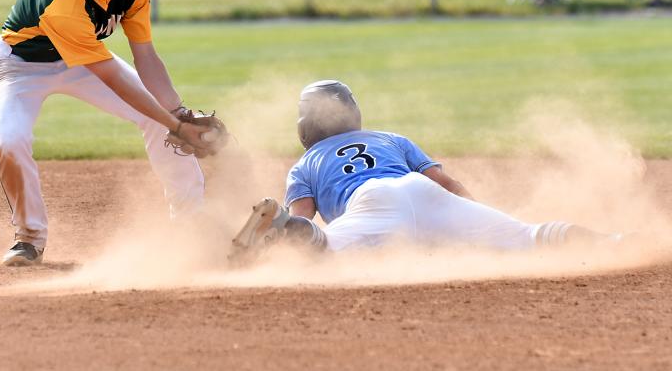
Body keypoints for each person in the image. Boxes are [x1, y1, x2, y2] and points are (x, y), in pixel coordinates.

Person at [0, 0, 212, 266]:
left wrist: (175, 112)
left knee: (159, 118)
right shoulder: (63, 1)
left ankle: (192, 226)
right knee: (12, 141)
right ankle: (29, 238)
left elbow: (145, 55)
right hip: (22, 66)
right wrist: (177, 126)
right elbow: (113, 78)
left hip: (83, 59)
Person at [230, 80, 623, 260]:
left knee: (325, 248)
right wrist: (470, 218)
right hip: (420, 189)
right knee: (528, 236)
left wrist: (285, 241)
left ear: (304, 124)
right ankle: (614, 243)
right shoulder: (388, 138)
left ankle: (274, 227)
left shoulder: (306, 163)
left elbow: (306, 218)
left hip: (370, 204)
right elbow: (446, 183)